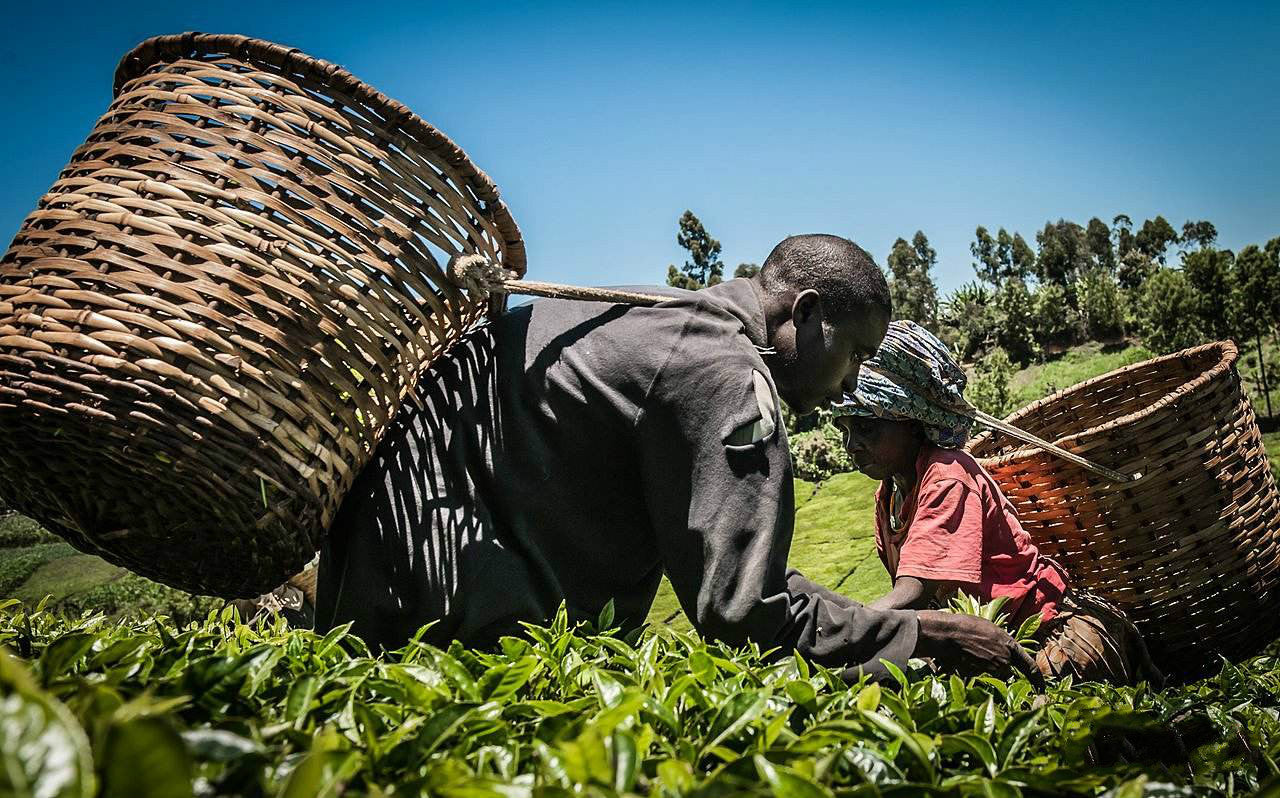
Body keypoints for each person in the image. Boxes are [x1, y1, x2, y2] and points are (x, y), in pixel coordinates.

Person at [316, 234, 1037, 681]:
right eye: (856, 354)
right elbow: (743, 614)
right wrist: (921, 637)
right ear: (808, 314)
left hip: (379, 584)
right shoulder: (723, 375)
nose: (852, 383)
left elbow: (748, 579)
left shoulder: (663, 317)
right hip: (444, 623)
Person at [833, 320, 1162, 685]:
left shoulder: (947, 476)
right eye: (845, 430)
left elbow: (912, 593)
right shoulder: (889, 496)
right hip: (984, 646)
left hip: (1043, 642)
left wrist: (831, 632)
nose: (852, 445)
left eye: (867, 427)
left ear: (912, 420)